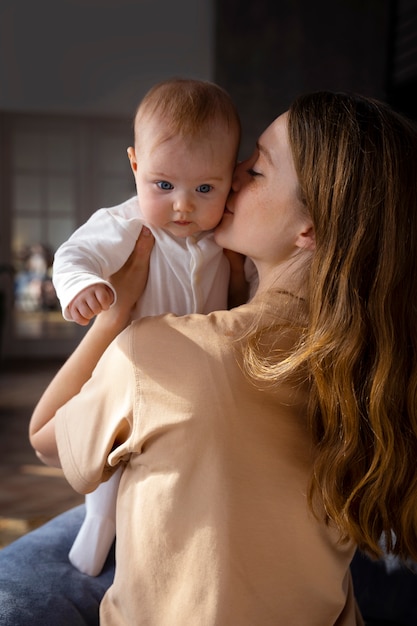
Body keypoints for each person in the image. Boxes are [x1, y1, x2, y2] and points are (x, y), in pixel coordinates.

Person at [1, 90, 417, 625]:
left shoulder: (159, 352)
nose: (233, 174)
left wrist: (115, 314)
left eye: (258, 169)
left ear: (308, 229)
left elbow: (44, 437)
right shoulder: (372, 367)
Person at [52, 77, 253, 576]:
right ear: (135, 166)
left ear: (230, 180)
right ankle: (98, 525)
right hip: (129, 369)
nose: (182, 205)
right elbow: (75, 253)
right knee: (109, 460)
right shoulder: (127, 224)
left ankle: (157, 538)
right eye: (163, 186)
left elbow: (253, 289)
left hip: (191, 379)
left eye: (204, 188)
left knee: (168, 467)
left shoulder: (224, 237)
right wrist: (80, 286)